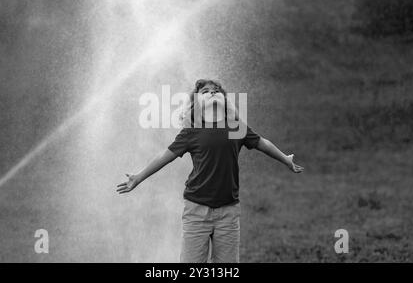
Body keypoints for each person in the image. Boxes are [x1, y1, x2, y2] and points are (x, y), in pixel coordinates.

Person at [117, 79, 304, 263]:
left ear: (225, 101)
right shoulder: (192, 131)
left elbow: (263, 144)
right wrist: (139, 177)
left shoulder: (236, 128)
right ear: (196, 104)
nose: (212, 92)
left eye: (216, 90)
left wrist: (285, 159)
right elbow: (164, 156)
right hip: (196, 211)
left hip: (228, 212)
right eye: (205, 92)